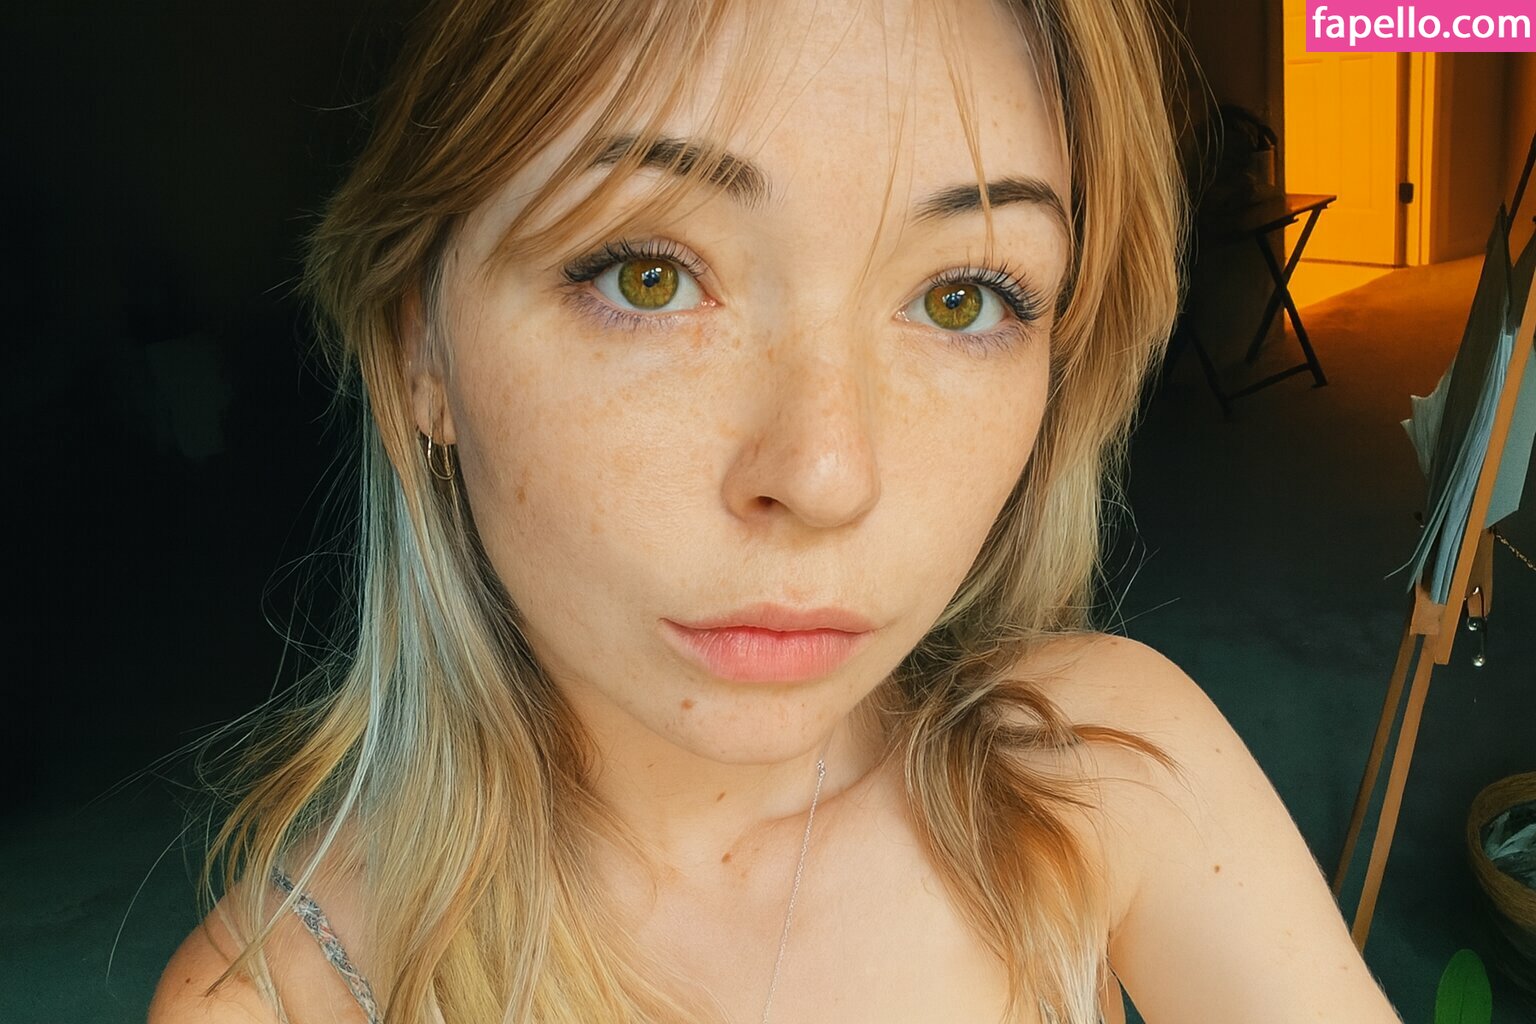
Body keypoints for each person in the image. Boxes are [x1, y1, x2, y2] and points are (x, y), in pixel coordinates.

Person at [149, 0, 1407, 1021]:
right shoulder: (277, 998)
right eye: (648, 275)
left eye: (964, 298)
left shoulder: (1101, 778)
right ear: (418, 343)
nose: (826, 475)